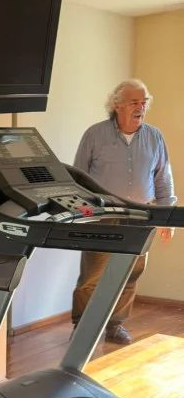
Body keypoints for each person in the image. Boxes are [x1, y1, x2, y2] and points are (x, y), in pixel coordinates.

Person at [72, 79, 175, 345]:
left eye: (144, 102)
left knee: (131, 273)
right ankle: (81, 327)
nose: (141, 107)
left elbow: (163, 179)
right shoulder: (95, 134)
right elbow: (78, 176)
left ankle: (115, 326)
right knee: (92, 275)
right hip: (103, 215)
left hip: (141, 215)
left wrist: (167, 217)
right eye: (134, 102)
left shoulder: (154, 136)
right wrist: (80, 212)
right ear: (116, 105)